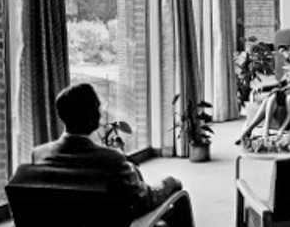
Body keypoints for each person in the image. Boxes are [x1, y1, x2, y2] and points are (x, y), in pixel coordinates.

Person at [32, 83, 182, 218]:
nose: (100, 113)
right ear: (91, 115)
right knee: (177, 207)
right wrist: (171, 182)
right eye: (97, 108)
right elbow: (147, 199)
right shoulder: (112, 160)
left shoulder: (39, 155)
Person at [236, 39, 290, 146]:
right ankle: (257, 130)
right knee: (272, 96)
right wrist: (263, 87)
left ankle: (259, 130)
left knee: (274, 95)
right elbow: (281, 83)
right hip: (286, 94)